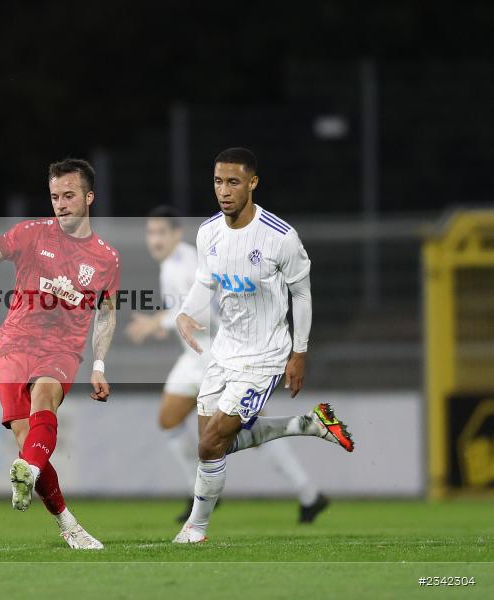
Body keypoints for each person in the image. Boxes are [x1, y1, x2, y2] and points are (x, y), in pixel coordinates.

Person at [173, 148, 354, 544]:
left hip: (266, 357)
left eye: (233, 182)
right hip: (224, 353)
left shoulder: (280, 236)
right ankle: (306, 424)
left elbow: (301, 296)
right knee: (213, 447)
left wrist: (299, 353)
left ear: (253, 183)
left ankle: (196, 529)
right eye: (218, 181)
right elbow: (206, 279)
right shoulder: (208, 233)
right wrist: (186, 312)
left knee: (209, 443)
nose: (224, 191)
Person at [0, 158, 120, 550]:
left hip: (62, 349)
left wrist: (98, 364)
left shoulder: (106, 258)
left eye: (69, 195)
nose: (61, 203)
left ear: (89, 197)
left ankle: (30, 470)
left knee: (45, 397)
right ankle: (68, 524)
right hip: (14, 344)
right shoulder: (29, 233)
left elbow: (106, 314)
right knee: (27, 443)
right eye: (55, 196)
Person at [126, 206, 330, 524]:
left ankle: (308, 490)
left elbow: (204, 313)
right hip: (193, 360)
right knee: (169, 419)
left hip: (217, 356)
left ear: (176, 234)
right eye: (150, 233)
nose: (155, 239)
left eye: (161, 232)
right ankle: (203, 490)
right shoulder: (172, 264)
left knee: (243, 428)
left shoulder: (183, 264)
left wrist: (156, 324)